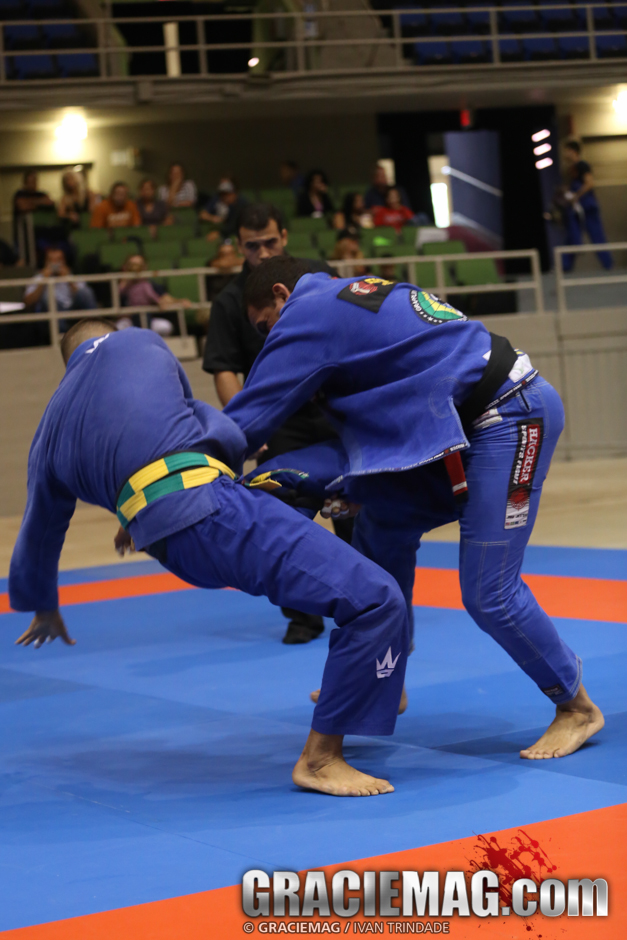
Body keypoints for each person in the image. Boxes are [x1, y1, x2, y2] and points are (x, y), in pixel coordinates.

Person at [224, 256, 605, 761]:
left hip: (511, 416)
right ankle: (384, 677)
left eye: (264, 326)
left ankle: (576, 707)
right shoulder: (350, 302)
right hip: (459, 428)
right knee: (378, 533)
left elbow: (247, 417)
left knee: (489, 592)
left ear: (280, 295)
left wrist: (178, 478)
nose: (268, 340)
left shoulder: (309, 310)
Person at [9, 319, 410, 798]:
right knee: (375, 598)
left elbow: (40, 528)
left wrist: (43, 604)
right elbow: (206, 424)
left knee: (321, 521)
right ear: (112, 332)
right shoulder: (135, 342)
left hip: (169, 542)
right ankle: (320, 760)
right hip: (210, 509)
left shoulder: (50, 427)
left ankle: (369, 689)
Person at [202, 202, 349, 645]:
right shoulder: (230, 301)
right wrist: (245, 429)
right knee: (282, 520)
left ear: (284, 236)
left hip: (337, 412)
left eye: (270, 242)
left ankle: (367, 605)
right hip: (281, 422)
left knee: (355, 512)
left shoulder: (319, 276)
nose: (262, 253)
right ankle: (303, 615)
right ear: (238, 246)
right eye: (252, 246)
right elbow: (224, 369)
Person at [561, 140, 612, 272]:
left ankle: (608, 265)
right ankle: (565, 267)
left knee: (596, 235)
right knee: (572, 236)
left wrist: (576, 195)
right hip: (575, 208)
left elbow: (589, 183)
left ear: (572, 151)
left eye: (566, 151)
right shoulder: (569, 170)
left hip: (587, 205)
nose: (564, 154)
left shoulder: (583, 165)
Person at [118, 253, 191, 336]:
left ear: (145, 267)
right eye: (131, 265)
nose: (135, 269)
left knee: (165, 327)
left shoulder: (148, 284)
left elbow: (164, 298)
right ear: (125, 267)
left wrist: (180, 302)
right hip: (128, 321)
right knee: (120, 328)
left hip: (147, 319)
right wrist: (125, 280)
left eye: (139, 266)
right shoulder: (114, 283)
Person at [23, 246, 97, 313]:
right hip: (49, 312)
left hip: (72, 309)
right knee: (48, 298)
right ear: (45, 262)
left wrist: (69, 280)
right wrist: (43, 281)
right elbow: (28, 302)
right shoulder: (38, 278)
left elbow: (84, 297)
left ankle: (95, 322)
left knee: (87, 291)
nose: (55, 264)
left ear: (64, 261)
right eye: (51, 260)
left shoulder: (72, 277)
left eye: (58, 260)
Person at [12, 171, 55, 244]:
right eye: (30, 181)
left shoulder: (41, 194)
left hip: (40, 235)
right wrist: (39, 203)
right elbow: (22, 206)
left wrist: (32, 203)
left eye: (34, 181)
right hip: (23, 237)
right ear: (25, 182)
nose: (33, 184)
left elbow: (50, 202)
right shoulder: (20, 194)